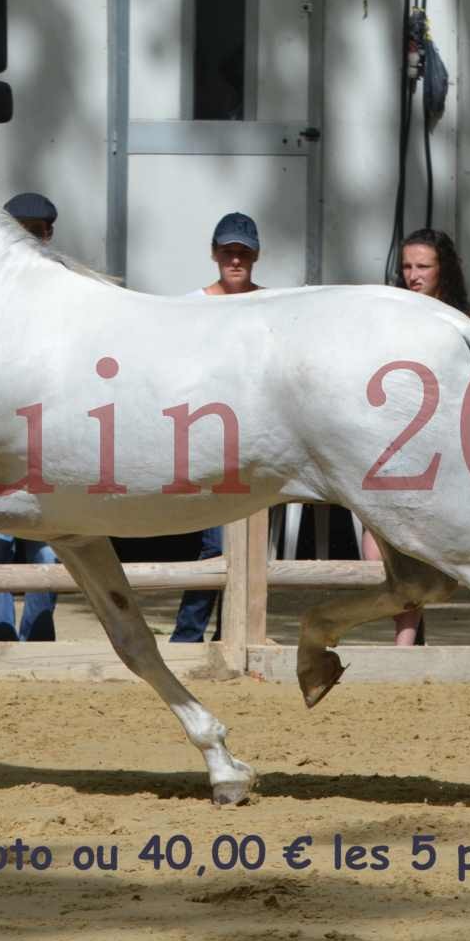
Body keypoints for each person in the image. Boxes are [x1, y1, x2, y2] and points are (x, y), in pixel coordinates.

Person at [363, 227, 470, 646]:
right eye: (407, 266)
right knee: (375, 536)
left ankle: (404, 642)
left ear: (442, 269)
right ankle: (404, 636)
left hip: (435, 445)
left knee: (410, 543)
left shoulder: (458, 321)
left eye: (423, 266)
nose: (413, 275)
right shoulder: (390, 312)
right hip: (387, 438)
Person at [169, 212, 264, 643]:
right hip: (208, 438)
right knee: (216, 544)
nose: (235, 259)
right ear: (214, 254)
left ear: (255, 256)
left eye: (242, 252)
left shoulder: (270, 304)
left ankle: (224, 634)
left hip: (259, 439)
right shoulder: (190, 306)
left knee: (242, 545)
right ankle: (193, 635)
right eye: (228, 251)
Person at [0, 192, 62, 642]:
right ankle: (2, 640)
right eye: (22, 230)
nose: (30, 239)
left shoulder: (66, 287)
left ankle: (35, 639)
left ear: (48, 235)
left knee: (48, 553)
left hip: (51, 443)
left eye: (38, 231)